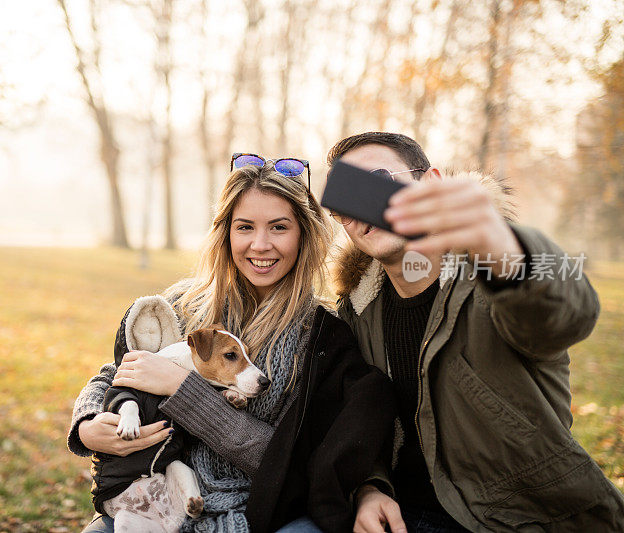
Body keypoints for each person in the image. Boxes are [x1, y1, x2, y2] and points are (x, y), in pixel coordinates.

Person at [67, 156, 395, 533]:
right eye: (245, 227)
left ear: (303, 234)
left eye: (279, 227)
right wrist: (88, 423)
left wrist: (182, 390)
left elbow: (293, 462)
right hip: (154, 498)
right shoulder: (181, 306)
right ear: (225, 233)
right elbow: (115, 374)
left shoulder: (324, 338)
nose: (260, 244)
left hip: (264, 509)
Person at [325, 132, 624, 532]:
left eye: (379, 179)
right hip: (404, 515)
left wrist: (501, 250)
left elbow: (565, 314)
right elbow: (360, 425)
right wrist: (368, 488)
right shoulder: (356, 314)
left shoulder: (496, 282)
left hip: (516, 521)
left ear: (429, 183)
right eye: (347, 201)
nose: (362, 208)